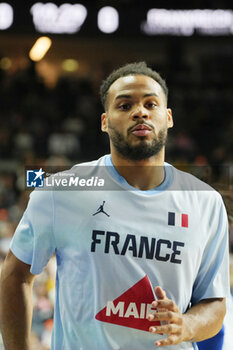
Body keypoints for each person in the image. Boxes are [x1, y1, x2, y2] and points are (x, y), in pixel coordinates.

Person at [0, 62, 230, 350]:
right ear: (105, 121)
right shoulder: (61, 190)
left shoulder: (205, 201)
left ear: (168, 117)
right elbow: (15, 275)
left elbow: (215, 304)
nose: (140, 112)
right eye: (124, 105)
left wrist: (188, 325)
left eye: (151, 103)